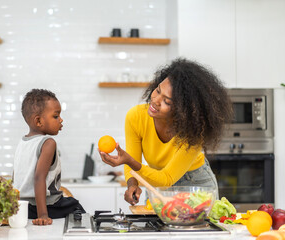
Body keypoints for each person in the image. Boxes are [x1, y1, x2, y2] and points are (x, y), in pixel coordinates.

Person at [99, 58, 233, 205]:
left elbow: (166, 178)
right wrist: (133, 185)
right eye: (157, 90)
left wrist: (128, 160)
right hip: (155, 181)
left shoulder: (194, 131)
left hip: (195, 184)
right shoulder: (136, 116)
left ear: (183, 110)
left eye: (167, 101)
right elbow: (133, 162)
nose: (155, 100)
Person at [13, 89, 85, 225]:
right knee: (75, 207)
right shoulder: (48, 143)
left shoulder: (22, 143)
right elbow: (39, 177)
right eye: (56, 116)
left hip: (22, 208)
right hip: (45, 206)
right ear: (39, 121)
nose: (61, 119)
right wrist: (43, 215)